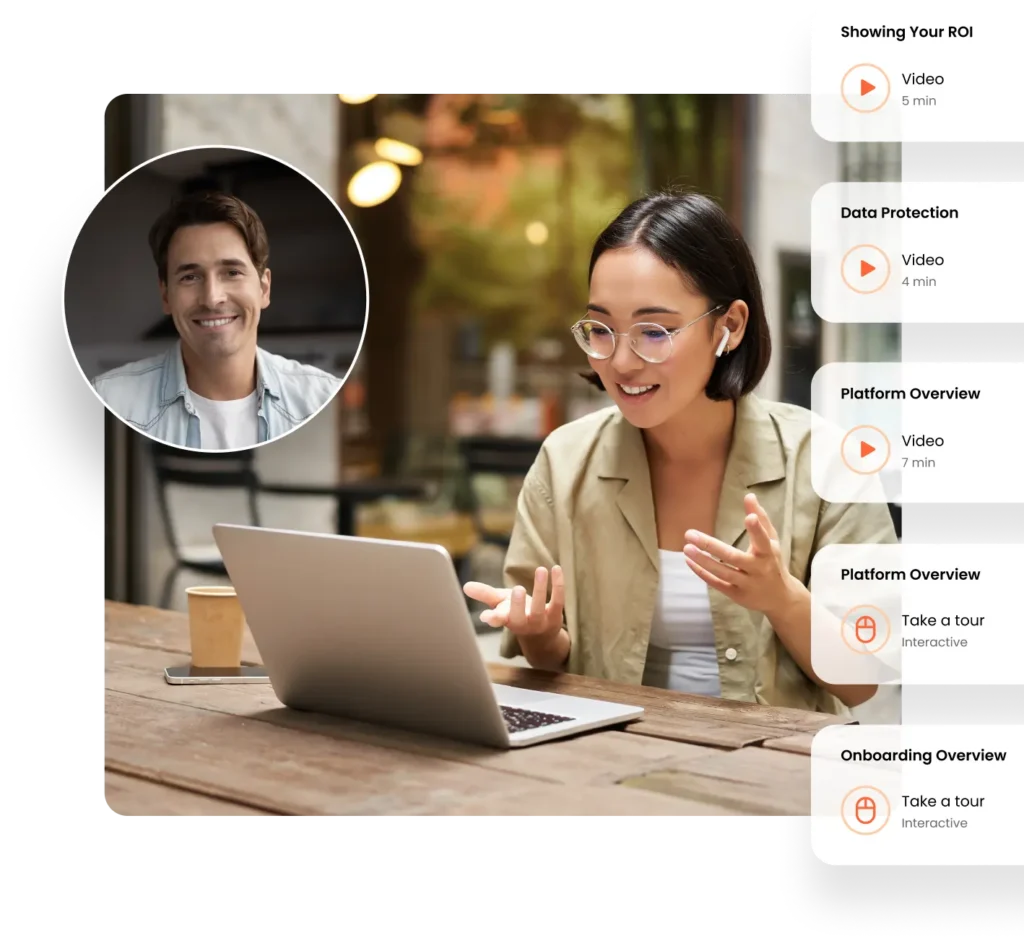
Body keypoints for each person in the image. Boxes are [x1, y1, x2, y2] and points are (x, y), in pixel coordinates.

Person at [464, 190, 897, 715]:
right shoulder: (565, 461)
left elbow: (861, 682)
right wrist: (538, 635)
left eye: (655, 331)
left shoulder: (826, 461)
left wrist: (781, 598)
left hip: (770, 775)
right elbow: (546, 666)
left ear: (729, 327)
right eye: (601, 330)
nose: (621, 362)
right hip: (608, 766)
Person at [92, 190, 342, 450]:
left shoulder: (323, 399)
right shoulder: (110, 401)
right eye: (190, 277)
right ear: (165, 295)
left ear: (264, 289)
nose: (212, 298)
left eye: (232, 272)